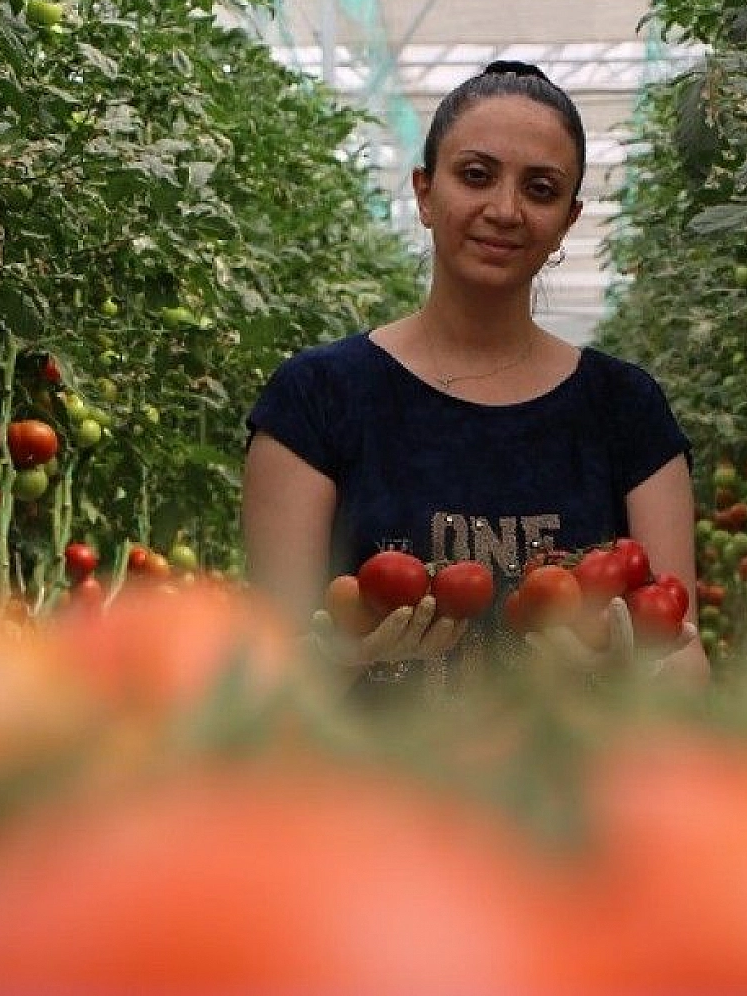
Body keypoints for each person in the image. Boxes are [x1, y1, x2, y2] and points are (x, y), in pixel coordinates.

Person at [241, 60, 710, 693]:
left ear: (568, 222)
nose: (506, 209)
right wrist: (332, 657)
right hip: (372, 786)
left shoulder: (627, 410)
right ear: (425, 192)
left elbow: (682, 658)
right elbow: (266, 670)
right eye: (476, 176)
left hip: (572, 784)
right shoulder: (316, 399)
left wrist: (637, 672)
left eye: (540, 189)